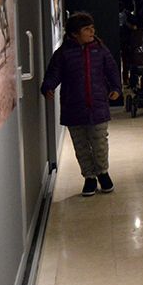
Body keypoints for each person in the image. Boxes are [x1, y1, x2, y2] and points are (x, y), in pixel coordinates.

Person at [41, 12, 121, 197]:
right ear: (74, 33)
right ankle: (89, 177)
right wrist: (48, 86)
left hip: (98, 105)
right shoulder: (63, 54)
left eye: (92, 28)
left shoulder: (100, 49)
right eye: (87, 29)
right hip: (73, 107)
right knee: (81, 145)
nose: (92, 31)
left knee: (100, 142)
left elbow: (111, 69)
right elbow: (54, 73)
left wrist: (116, 87)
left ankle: (103, 173)